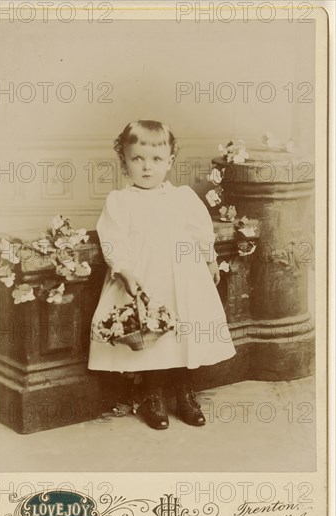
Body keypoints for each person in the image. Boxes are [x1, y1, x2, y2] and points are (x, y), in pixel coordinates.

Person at [88, 120, 236, 429]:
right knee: (151, 334)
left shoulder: (182, 197)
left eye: (156, 160)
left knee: (184, 331)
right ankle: (151, 393)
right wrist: (124, 271)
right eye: (137, 159)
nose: (146, 168)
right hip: (143, 279)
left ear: (169, 162)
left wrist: (209, 260)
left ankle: (183, 391)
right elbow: (112, 238)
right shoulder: (120, 201)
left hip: (183, 277)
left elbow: (200, 230)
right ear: (124, 161)